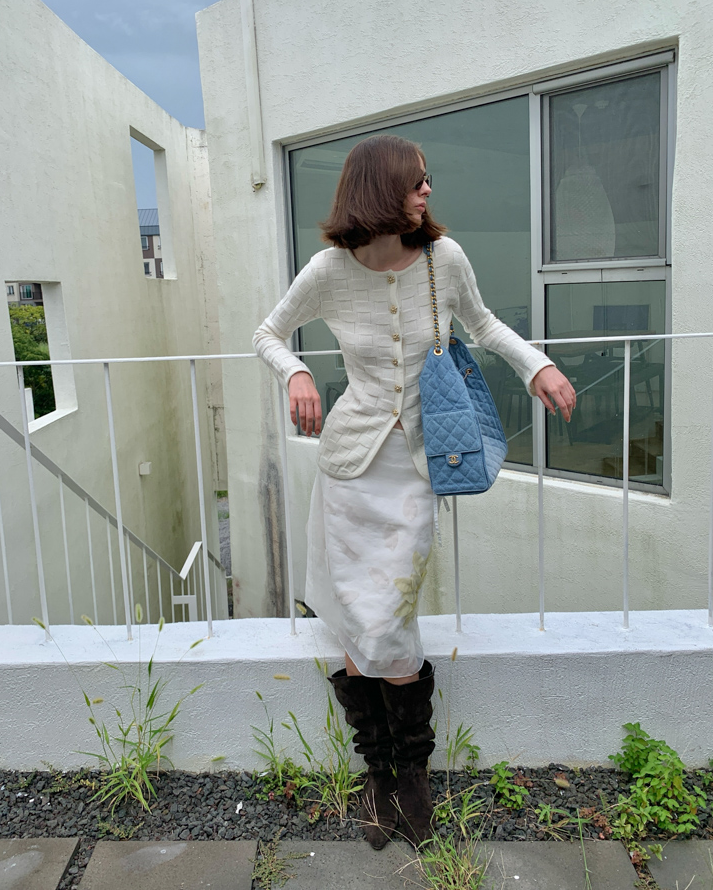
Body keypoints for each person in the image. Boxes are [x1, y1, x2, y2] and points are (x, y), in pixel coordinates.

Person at [253, 134, 576, 849]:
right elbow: (268, 333)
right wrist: (296, 373)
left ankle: (414, 775)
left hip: (416, 467)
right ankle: (380, 775)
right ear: (379, 188)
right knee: (355, 619)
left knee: (390, 614)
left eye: (428, 179)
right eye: (416, 180)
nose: (428, 190)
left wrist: (537, 367)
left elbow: (483, 324)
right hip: (349, 466)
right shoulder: (329, 270)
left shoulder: (443, 260)